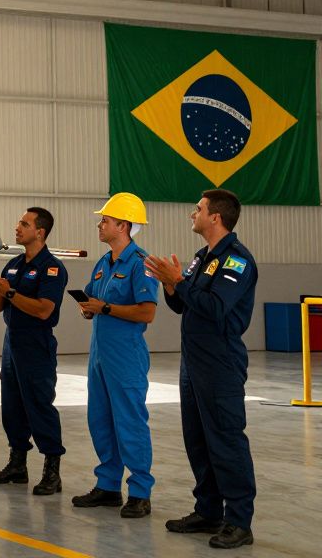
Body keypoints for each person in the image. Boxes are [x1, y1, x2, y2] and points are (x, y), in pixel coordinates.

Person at [145, 189, 257, 550]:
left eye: (198, 208)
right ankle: (208, 510)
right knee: (198, 440)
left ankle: (238, 521)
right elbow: (184, 306)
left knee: (225, 440)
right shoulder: (200, 258)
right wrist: (171, 286)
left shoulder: (237, 260)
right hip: (193, 362)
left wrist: (179, 282)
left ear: (215, 217)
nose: (192, 213)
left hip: (220, 363)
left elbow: (215, 307)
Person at [71, 193, 159, 518]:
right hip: (100, 356)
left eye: (105, 220)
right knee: (101, 421)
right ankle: (108, 486)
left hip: (125, 357)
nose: (100, 224)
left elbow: (147, 312)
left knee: (130, 423)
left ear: (123, 225)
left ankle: (140, 492)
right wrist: (89, 309)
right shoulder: (103, 263)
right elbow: (94, 301)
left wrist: (105, 308)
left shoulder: (141, 264)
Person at [0, 207, 67, 496]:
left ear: (40, 232)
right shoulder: (13, 264)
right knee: (12, 406)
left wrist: (9, 292)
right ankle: (17, 465)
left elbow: (44, 310)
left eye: (24, 224)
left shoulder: (52, 268)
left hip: (36, 344)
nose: (17, 227)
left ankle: (52, 472)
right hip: (12, 343)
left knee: (39, 405)